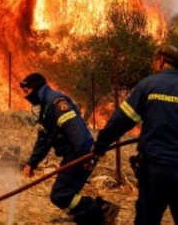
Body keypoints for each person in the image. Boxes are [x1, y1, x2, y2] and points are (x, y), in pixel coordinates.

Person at [92, 44, 178, 225]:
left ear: (161, 60)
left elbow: (122, 120)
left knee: (147, 220)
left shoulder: (148, 85)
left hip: (153, 170)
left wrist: (101, 144)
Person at [20, 72, 120, 225]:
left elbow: (76, 129)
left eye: (26, 91)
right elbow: (43, 139)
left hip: (80, 153)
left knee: (61, 195)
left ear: (35, 87)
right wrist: (32, 162)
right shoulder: (44, 107)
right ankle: (94, 217)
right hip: (73, 154)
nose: (25, 96)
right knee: (63, 195)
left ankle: (103, 210)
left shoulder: (55, 102)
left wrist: (86, 156)